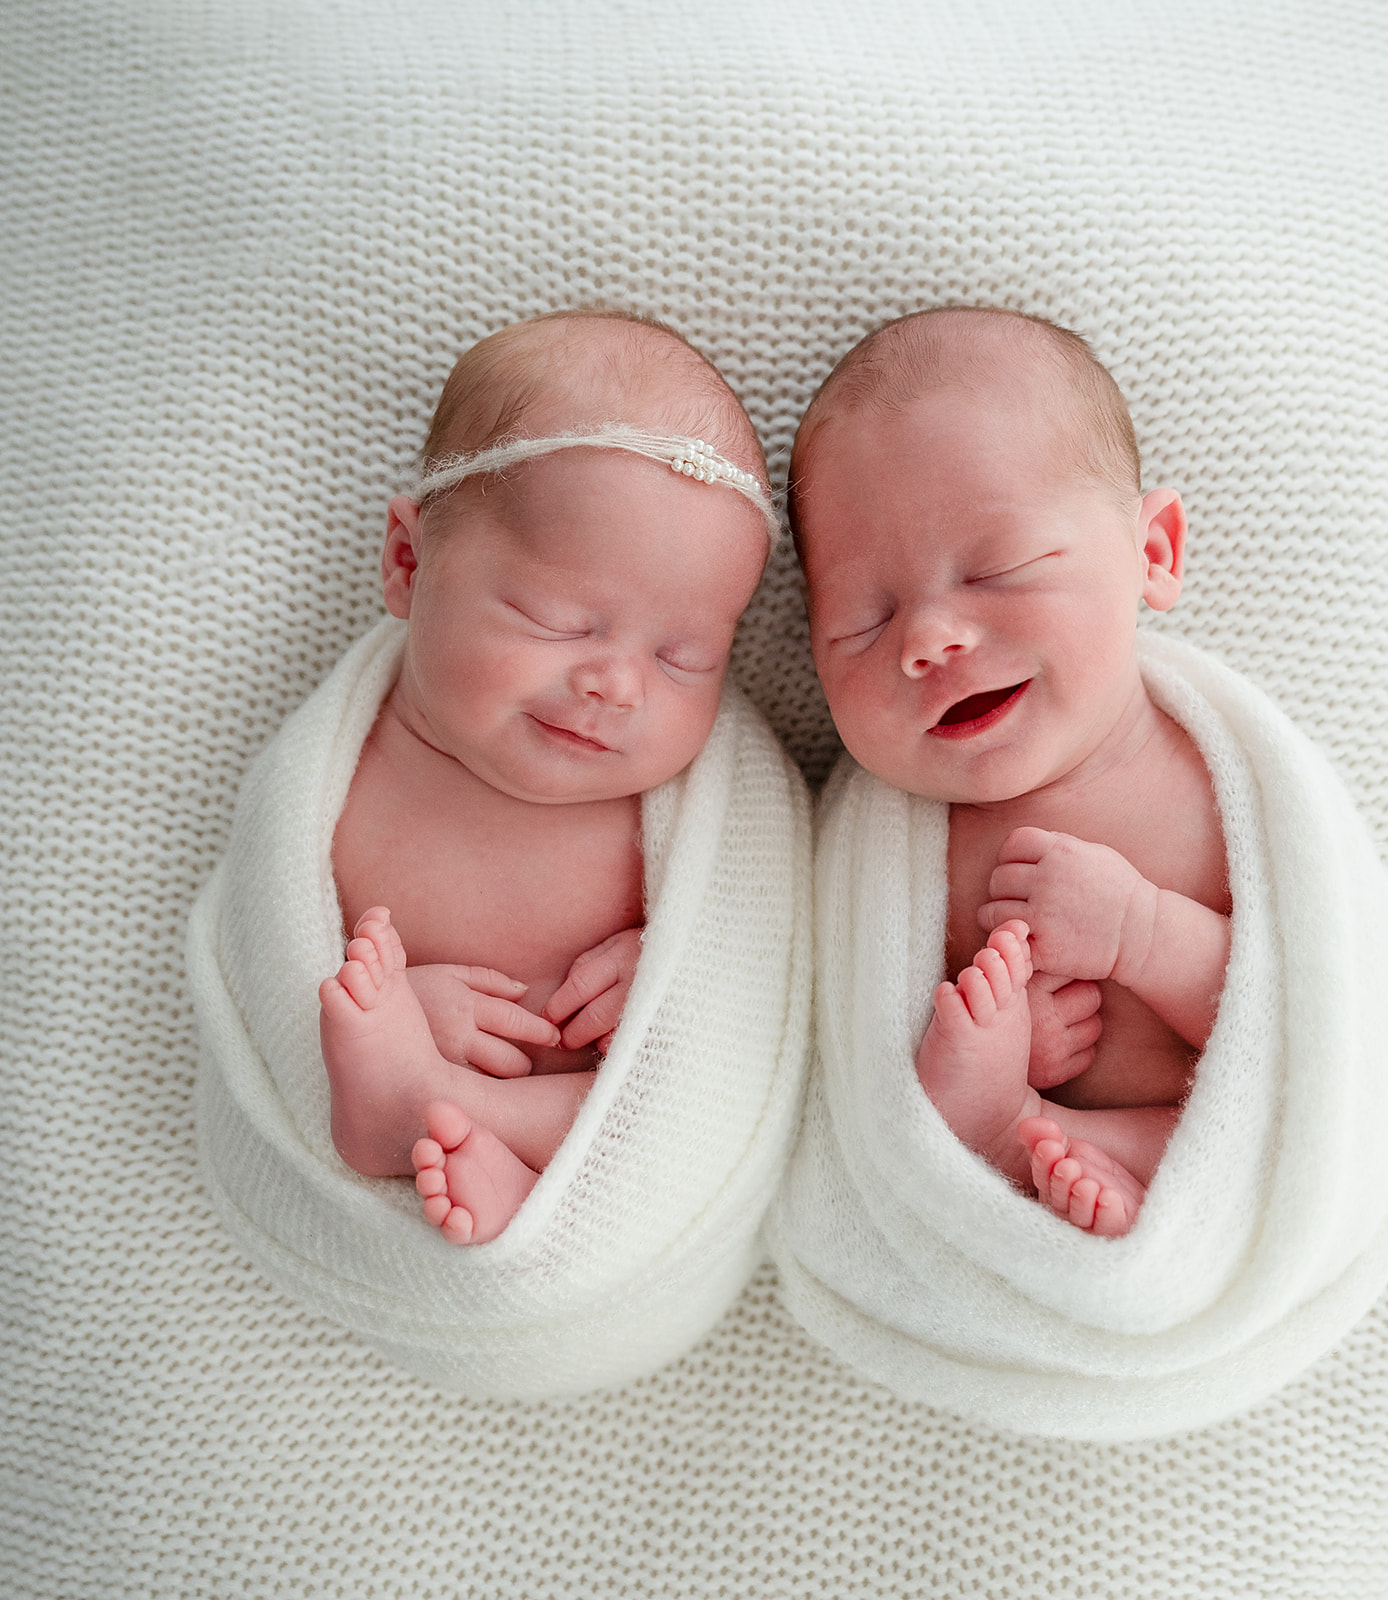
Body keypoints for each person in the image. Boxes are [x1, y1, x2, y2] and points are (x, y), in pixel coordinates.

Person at [317, 311, 774, 1244]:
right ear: (409, 563)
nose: (616, 682)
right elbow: (267, 933)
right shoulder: (335, 763)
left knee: (645, 1117)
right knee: (355, 1028)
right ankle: (418, 1109)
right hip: (382, 1066)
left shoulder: (699, 801)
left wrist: (671, 972)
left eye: (684, 658)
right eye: (560, 620)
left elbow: (755, 962)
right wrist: (394, 1007)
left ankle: (436, 1116)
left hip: (583, 1115)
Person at [789, 306, 1231, 1236]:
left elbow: (1294, 1021)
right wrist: (1004, 1044)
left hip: (1202, 1152)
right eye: (864, 622)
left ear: (1152, 553)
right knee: (956, 1081)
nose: (929, 638)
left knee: (1216, 1141)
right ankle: (1012, 1130)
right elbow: (832, 1051)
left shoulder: (1214, 784)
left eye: (997, 571)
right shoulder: (889, 849)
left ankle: (1069, 1150)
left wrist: (1142, 933)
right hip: (995, 1204)